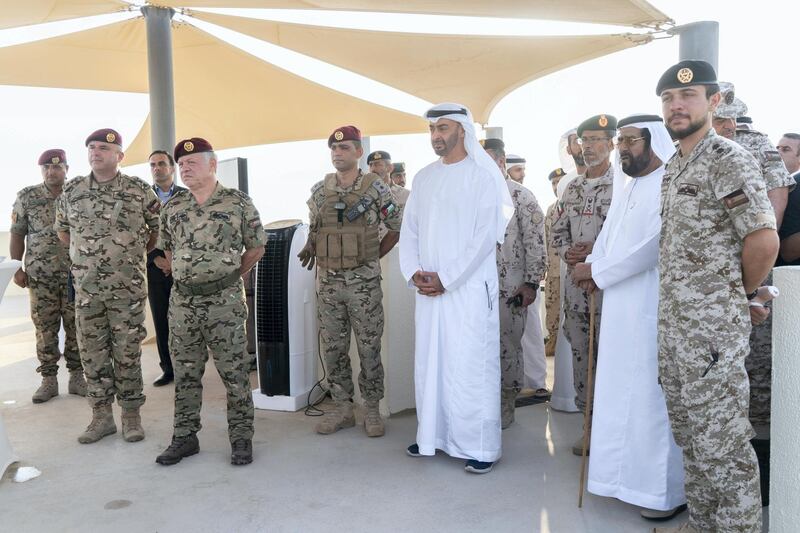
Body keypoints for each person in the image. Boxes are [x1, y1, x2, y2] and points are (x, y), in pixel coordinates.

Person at [654, 60, 777, 533]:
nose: (677, 105)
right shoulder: (677, 164)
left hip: (711, 333)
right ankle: (702, 525)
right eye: (668, 98)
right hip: (676, 329)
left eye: (688, 96)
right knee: (691, 435)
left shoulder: (727, 158)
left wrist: (736, 296)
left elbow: (763, 240)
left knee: (722, 445)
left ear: (714, 102)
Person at [572, 115, 686, 520]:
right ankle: (618, 480)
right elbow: (608, 238)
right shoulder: (628, 185)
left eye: (630, 141)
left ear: (653, 141)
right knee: (619, 392)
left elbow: (653, 247)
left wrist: (599, 272)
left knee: (649, 399)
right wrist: (590, 266)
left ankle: (658, 493)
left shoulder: (671, 184)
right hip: (619, 307)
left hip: (651, 306)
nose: (622, 148)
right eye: (620, 141)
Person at [399, 102, 513, 474]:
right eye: (432, 129)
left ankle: (479, 446)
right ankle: (431, 435)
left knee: (468, 366)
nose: (436, 136)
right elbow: (410, 230)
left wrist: (446, 277)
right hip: (430, 290)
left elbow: (484, 238)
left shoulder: (483, 177)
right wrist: (415, 271)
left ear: (462, 131)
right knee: (431, 362)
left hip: (466, 291)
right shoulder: (424, 178)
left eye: (443, 128)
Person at [155, 138, 266, 466]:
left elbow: (256, 247)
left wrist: (229, 277)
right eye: (182, 164)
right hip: (183, 305)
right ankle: (184, 437)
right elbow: (168, 252)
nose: (185, 168)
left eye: (192, 162)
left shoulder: (238, 203)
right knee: (186, 373)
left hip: (224, 303)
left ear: (213, 164)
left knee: (234, 373)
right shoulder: (173, 207)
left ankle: (241, 437)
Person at [55, 129, 159, 444]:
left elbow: (156, 232)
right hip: (87, 291)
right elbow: (63, 232)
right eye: (91, 147)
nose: (95, 152)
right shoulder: (71, 191)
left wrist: (128, 256)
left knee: (127, 353)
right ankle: (101, 418)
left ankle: (131, 417)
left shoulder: (139, 190)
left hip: (126, 290)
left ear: (119, 156)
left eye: (103, 148)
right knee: (92, 354)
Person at [297, 126, 402, 438]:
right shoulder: (319, 190)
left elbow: (396, 226)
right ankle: (342, 407)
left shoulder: (377, 188)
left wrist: (372, 258)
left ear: (358, 153)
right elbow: (316, 227)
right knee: (333, 348)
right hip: (328, 284)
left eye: (345, 149)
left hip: (363, 285)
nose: (337, 153)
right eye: (334, 149)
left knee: (369, 347)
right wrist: (312, 244)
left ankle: (371, 408)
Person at [551, 114, 616, 454]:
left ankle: (612, 431)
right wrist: (571, 254)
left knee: (611, 361)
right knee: (582, 359)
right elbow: (557, 231)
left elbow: (625, 237)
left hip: (609, 292)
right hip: (577, 294)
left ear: (612, 143)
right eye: (584, 140)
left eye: (595, 139)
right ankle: (588, 427)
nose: (588, 146)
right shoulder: (572, 187)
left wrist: (597, 254)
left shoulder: (623, 184)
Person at [10, 149, 85, 403]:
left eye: (57, 167)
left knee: (77, 326)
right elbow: (17, 233)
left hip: (75, 275)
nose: (52, 172)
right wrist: (16, 268)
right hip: (40, 277)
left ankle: (77, 377)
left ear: (66, 168)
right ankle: (48, 380)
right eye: (46, 168)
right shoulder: (28, 196)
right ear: (41, 170)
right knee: (45, 329)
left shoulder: (78, 193)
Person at [483, 139, 547, 428]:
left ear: (501, 161)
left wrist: (531, 283)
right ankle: (484, 403)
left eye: (489, 160)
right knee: (481, 348)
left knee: (508, 347)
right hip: (478, 290)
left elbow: (536, 242)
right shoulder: (474, 195)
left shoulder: (521, 196)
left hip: (510, 289)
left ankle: (507, 403)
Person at [146, 150, 186, 387]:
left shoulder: (187, 196)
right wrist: (155, 259)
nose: (157, 168)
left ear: (172, 168)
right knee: (162, 321)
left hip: (183, 268)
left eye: (162, 164)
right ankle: (168, 369)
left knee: (185, 319)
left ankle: (188, 368)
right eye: (152, 165)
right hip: (156, 268)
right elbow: (137, 232)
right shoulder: (142, 197)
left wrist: (175, 261)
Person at [543, 168, 565, 359]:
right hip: (552, 269)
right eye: (553, 183)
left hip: (569, 270)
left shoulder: (574, 204)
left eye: (559, 181)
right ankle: (553, 340)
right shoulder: (551, 209)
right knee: (552, 308)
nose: (556, 186)